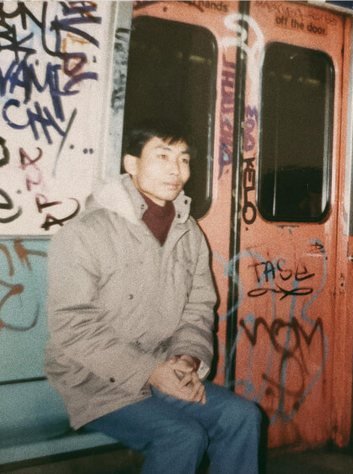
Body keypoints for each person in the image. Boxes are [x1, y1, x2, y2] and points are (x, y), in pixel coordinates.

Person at [45, 119, 261, 473]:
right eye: (163, 156)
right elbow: (73, 324)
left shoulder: (188, 233)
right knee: (183, 436)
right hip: (92, 379)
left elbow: (198, 308)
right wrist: (149, 371)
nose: (177, 170)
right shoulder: (87, 232)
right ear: (132, 164)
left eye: (184, 159)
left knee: (242, 416)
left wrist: (186, 359)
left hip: (164, 366)